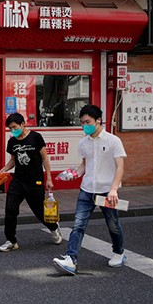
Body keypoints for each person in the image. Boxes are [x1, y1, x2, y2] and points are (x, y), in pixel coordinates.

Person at [52, 104, 127, 276]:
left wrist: (114, 189)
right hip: (87, 190)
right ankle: (71, 259)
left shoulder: (113, 141)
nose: (84, 125)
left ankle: (119, 252)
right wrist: (74, 174)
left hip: (107, 190)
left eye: (87, 122)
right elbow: (85, 165)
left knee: (113, 224)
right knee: (78, 224)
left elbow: (120, 167)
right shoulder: (83, 142)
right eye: (82, 122)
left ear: (98, 121)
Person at [0, 112, 61, 252]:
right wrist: (4, 170)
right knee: (10, 209)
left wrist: (49, 178)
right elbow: (13, 160)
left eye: (15, 127)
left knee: (39, 211)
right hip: (18, 180)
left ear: (22, 124)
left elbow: (45, 158)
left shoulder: (35, 137)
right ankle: (11, 240)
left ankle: (54, 228)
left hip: (34, 181)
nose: (13, 131)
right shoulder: (12, 141)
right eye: (10, 128)